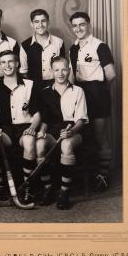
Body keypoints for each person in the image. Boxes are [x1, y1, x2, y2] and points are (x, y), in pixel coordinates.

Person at [0, 50, 40, 206]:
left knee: (29, 141)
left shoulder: (30, 85)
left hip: (25, 128)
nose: (7, 65)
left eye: (10, 62)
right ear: (0, 65)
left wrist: (33, 128)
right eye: (3, 62)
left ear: (17, 64)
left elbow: (37, 114)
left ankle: (26, 188)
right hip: (6, 130)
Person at [68, 11, 116, 191]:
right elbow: (72, 75)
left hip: (97, 95)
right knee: (84, 136)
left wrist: (99, 91)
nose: (78, 28)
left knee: (99, 136)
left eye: (82, 24)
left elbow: (111, 74)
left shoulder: (100, 46)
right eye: (75, 25)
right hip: (80, 95)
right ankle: (88, 175)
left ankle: (103, 175)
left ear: (89, 25)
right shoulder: (73, 48)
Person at [36, 56, 88, 209]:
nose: (60, 73)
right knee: (39, 144)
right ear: (51, 71)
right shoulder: (45, 92)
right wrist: (42, 131)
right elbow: (45, 119)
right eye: (57, 70)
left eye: (64, 69)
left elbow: (81, 120)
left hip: (73, 132)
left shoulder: (78, 91)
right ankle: (48, 188)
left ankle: (64, 192)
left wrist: (71, 131)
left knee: (66, 144)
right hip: (53, 132)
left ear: (69, 70)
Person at [19, 8, 65, 91]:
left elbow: (63, 68)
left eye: (43, 21)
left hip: (55, 86)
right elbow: (24, 72)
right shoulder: (25, 45)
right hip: (33, 89)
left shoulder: (59, 42)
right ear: (31, 24)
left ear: (48, 22)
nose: (40, 25)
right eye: (36, 22)